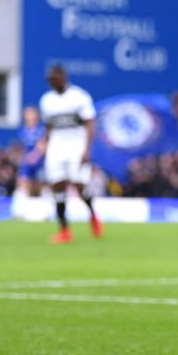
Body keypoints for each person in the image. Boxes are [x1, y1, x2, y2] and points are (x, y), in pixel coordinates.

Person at [38, 65, 102, 244]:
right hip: (56, 148)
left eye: (55, 79)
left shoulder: (79, 97)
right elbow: (49, 126)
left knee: (79, 186)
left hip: (76, 146)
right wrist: (45, 144)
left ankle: (93, 215)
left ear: (63, 77)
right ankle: (64, 230)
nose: (52, 82)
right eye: (50, 80)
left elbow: (90, 124)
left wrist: (87, 150)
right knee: (57, 186)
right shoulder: (47, 100)